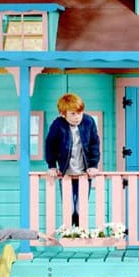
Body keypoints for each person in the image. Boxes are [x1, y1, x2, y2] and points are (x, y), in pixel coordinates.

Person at [44, 92, 101, 226]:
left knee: (81, 206)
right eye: (73, 114)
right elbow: (50, 145)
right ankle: (69, 230)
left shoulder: (89, 121)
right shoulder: (57, 125)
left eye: (79, 113)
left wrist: (93, 165)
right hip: (66, 172)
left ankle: (80, 230)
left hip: (84, 171)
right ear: (63, 114)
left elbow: (94, 144)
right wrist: (51, 165)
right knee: (68, 206)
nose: (77, 117)